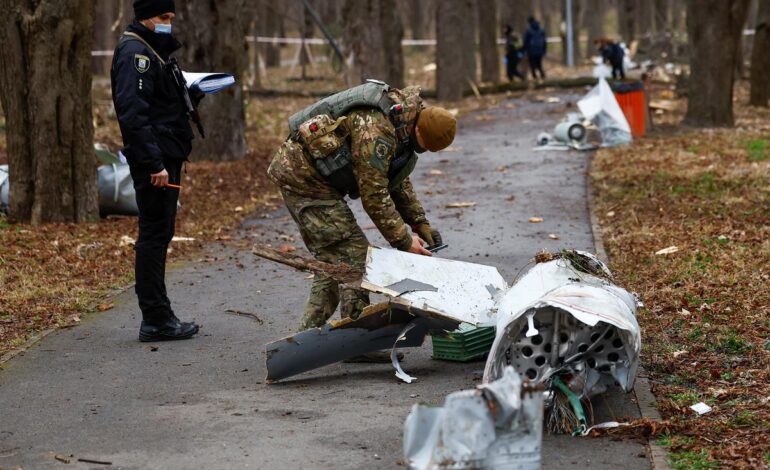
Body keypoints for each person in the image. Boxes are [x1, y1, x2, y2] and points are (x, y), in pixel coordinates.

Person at [267, 80, 456, 361]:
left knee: (338, 261)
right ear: (418, 129)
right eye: (424, 146)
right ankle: (338, 341)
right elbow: (374, 194)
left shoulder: (403, 121)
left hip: (320, 181)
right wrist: (404, 241)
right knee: (353, 256)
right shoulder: (377, 129)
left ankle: (329, 340)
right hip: (303, 180)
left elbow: (395, 178)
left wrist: (418, 222)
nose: (421, 151)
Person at [111, 0, 201, 342]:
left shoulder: (151, 49)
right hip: (156, 160)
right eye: (163, 17)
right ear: (144, 16)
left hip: (164, 153)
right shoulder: (137, 53)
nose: (168, 24)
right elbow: (133, 115)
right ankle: (156, 318)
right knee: (153, 234)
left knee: (160, 233)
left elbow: (156, 102)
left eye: (171, 18)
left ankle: (159, 314)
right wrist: (154, 164)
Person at [523, 16, 547, 80]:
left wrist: (525, 50)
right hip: (540, 50)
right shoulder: (541, 29)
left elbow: (526, 42)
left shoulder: (528, 31)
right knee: (539, 65)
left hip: (531, 51)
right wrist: (544, 50)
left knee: (532, 65)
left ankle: (535, 77)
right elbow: (544, 41)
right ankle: (543, 76)